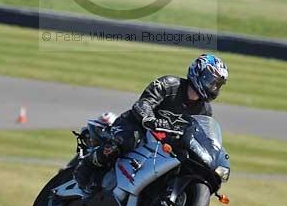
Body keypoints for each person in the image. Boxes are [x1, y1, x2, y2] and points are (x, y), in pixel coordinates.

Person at [74, 53, 229, 194]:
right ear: (199, 73)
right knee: (126, 140)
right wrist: (150, 120)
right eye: (212, 81)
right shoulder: (169, 84)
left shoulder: (205, 110)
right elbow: (143, 104)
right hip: (136, 126)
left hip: (165, 143)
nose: (214, 87)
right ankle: (86, 167)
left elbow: (201, 133)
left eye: (217, 85)